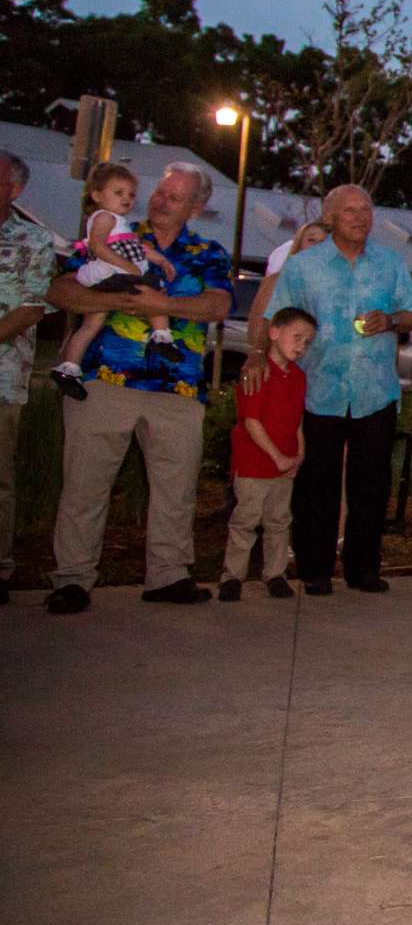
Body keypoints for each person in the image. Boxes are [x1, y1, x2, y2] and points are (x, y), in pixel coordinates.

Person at [44, 159, 234, 614]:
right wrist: (117, 300)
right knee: (86, 483)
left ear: (197, 205)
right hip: (104, 380)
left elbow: (218, 304)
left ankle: (168, 574)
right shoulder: (116, 232)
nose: (160, 199)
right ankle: (72, 578)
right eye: (160, 191)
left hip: (179, 390)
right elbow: (62, 289)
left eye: (174, 196)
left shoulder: (207, 251)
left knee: (176, 488)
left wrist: (163, 303)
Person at [267, 184, 412, 596]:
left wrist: (390, 320)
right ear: (331, 217)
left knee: (370, 484)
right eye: (351, 211)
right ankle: (315, 570)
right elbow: (278, 318)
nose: (361, 217)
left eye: (367, 210)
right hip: (320, 387)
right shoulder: (304, 267)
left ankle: (363, 568)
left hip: (375, 390)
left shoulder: (390, 263)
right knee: (316, 483)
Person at [49, 161, 179, 399]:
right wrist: (128, 267)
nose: (127, 199)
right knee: (154, 291)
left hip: (109, 274)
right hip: (110, 273)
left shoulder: (121, 225)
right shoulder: (105, 218)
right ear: (97, 194)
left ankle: (68, 368)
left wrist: (161, 260)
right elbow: (98, 246)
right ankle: (162, 336)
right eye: (118, 193)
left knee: (91, 325)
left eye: (131, 194)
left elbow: (138, 247)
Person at [219, 307, 315, 601]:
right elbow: (251, 421)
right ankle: (232, 576)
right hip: (254, 463)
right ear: (274, 332)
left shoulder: (298, 377)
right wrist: (277, 457)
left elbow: (297, 419)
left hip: (284, 465)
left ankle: (275, 574)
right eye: (296, 337)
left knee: (279, 521)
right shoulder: (257, 373)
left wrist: (298, 454)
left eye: (307, 342)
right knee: (245, 520)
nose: (301, 346)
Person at [0, 152, 52, 606]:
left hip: (3, 376)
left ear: (13, 190)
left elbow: (33, 306)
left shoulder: (32, 239)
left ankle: (0, 569)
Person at [248, 218, 330, 339]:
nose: (316, 246)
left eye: (323, 242)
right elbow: (257, 326)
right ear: (299, 244)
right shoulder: (278, 282)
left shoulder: (336, 287)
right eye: (311, 240)